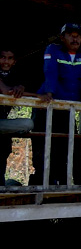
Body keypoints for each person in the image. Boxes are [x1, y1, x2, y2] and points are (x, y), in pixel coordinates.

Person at [30, 23, 81, 186]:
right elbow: (51, 70)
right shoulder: (53, 49)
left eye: (78, 35)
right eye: (71, 35)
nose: (75, 38)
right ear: (62, 37)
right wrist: (49, 91)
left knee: (72, 148)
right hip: (46, 107)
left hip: (67, 110)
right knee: (44, 148)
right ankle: (42, 185)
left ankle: (72, 184)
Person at [0, 48, 35, 183]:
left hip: (3, 125)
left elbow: (19, 89)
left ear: (14, 61)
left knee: (28, 124)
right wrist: (37, 96)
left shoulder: (15, 76)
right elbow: (6, 91)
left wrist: (22, 87)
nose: (6, 61)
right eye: (3, 57)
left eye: (10, 58)